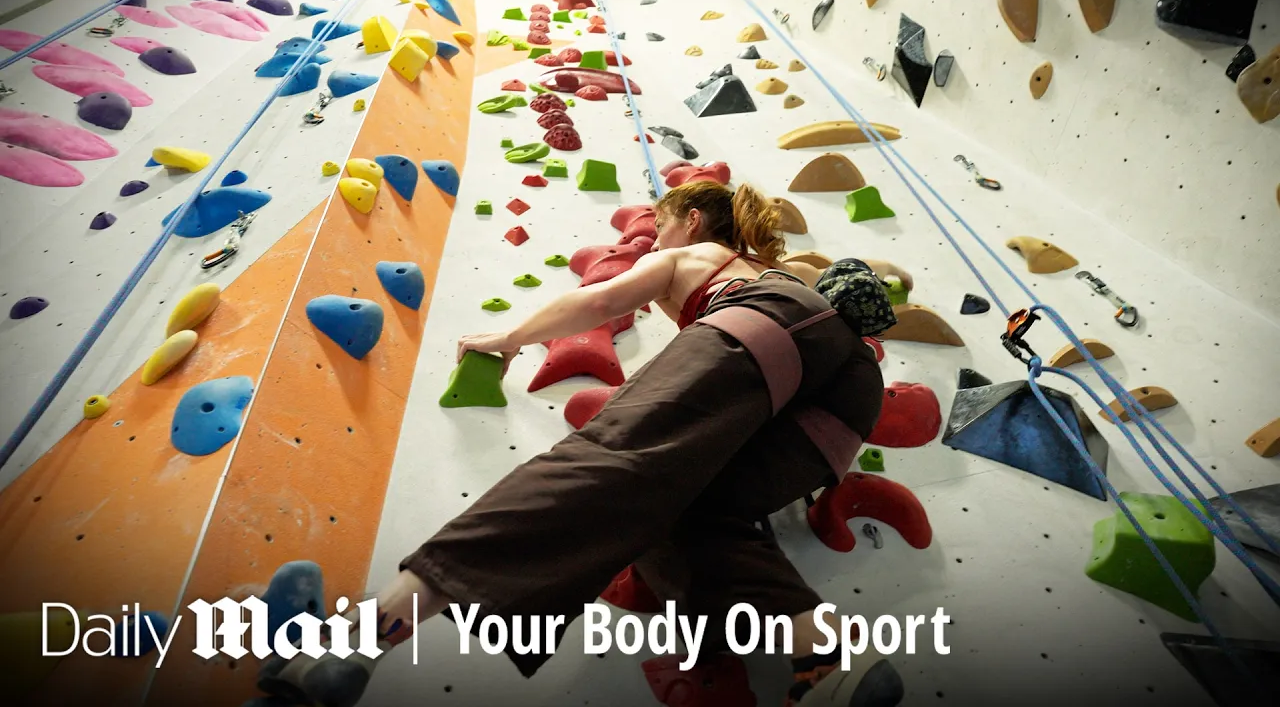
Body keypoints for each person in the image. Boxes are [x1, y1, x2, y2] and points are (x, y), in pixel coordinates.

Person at [257, 182, 915, 707]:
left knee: (605, 462)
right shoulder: (779, 269)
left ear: (691, 222)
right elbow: (876, 283)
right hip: (848, 398)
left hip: (766, 337)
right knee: (683, 511)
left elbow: (598, 302)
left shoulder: (690, 257)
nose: (654, 241)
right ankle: (831, 660)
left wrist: (508, 338)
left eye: (660, 227)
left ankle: (360, 636)